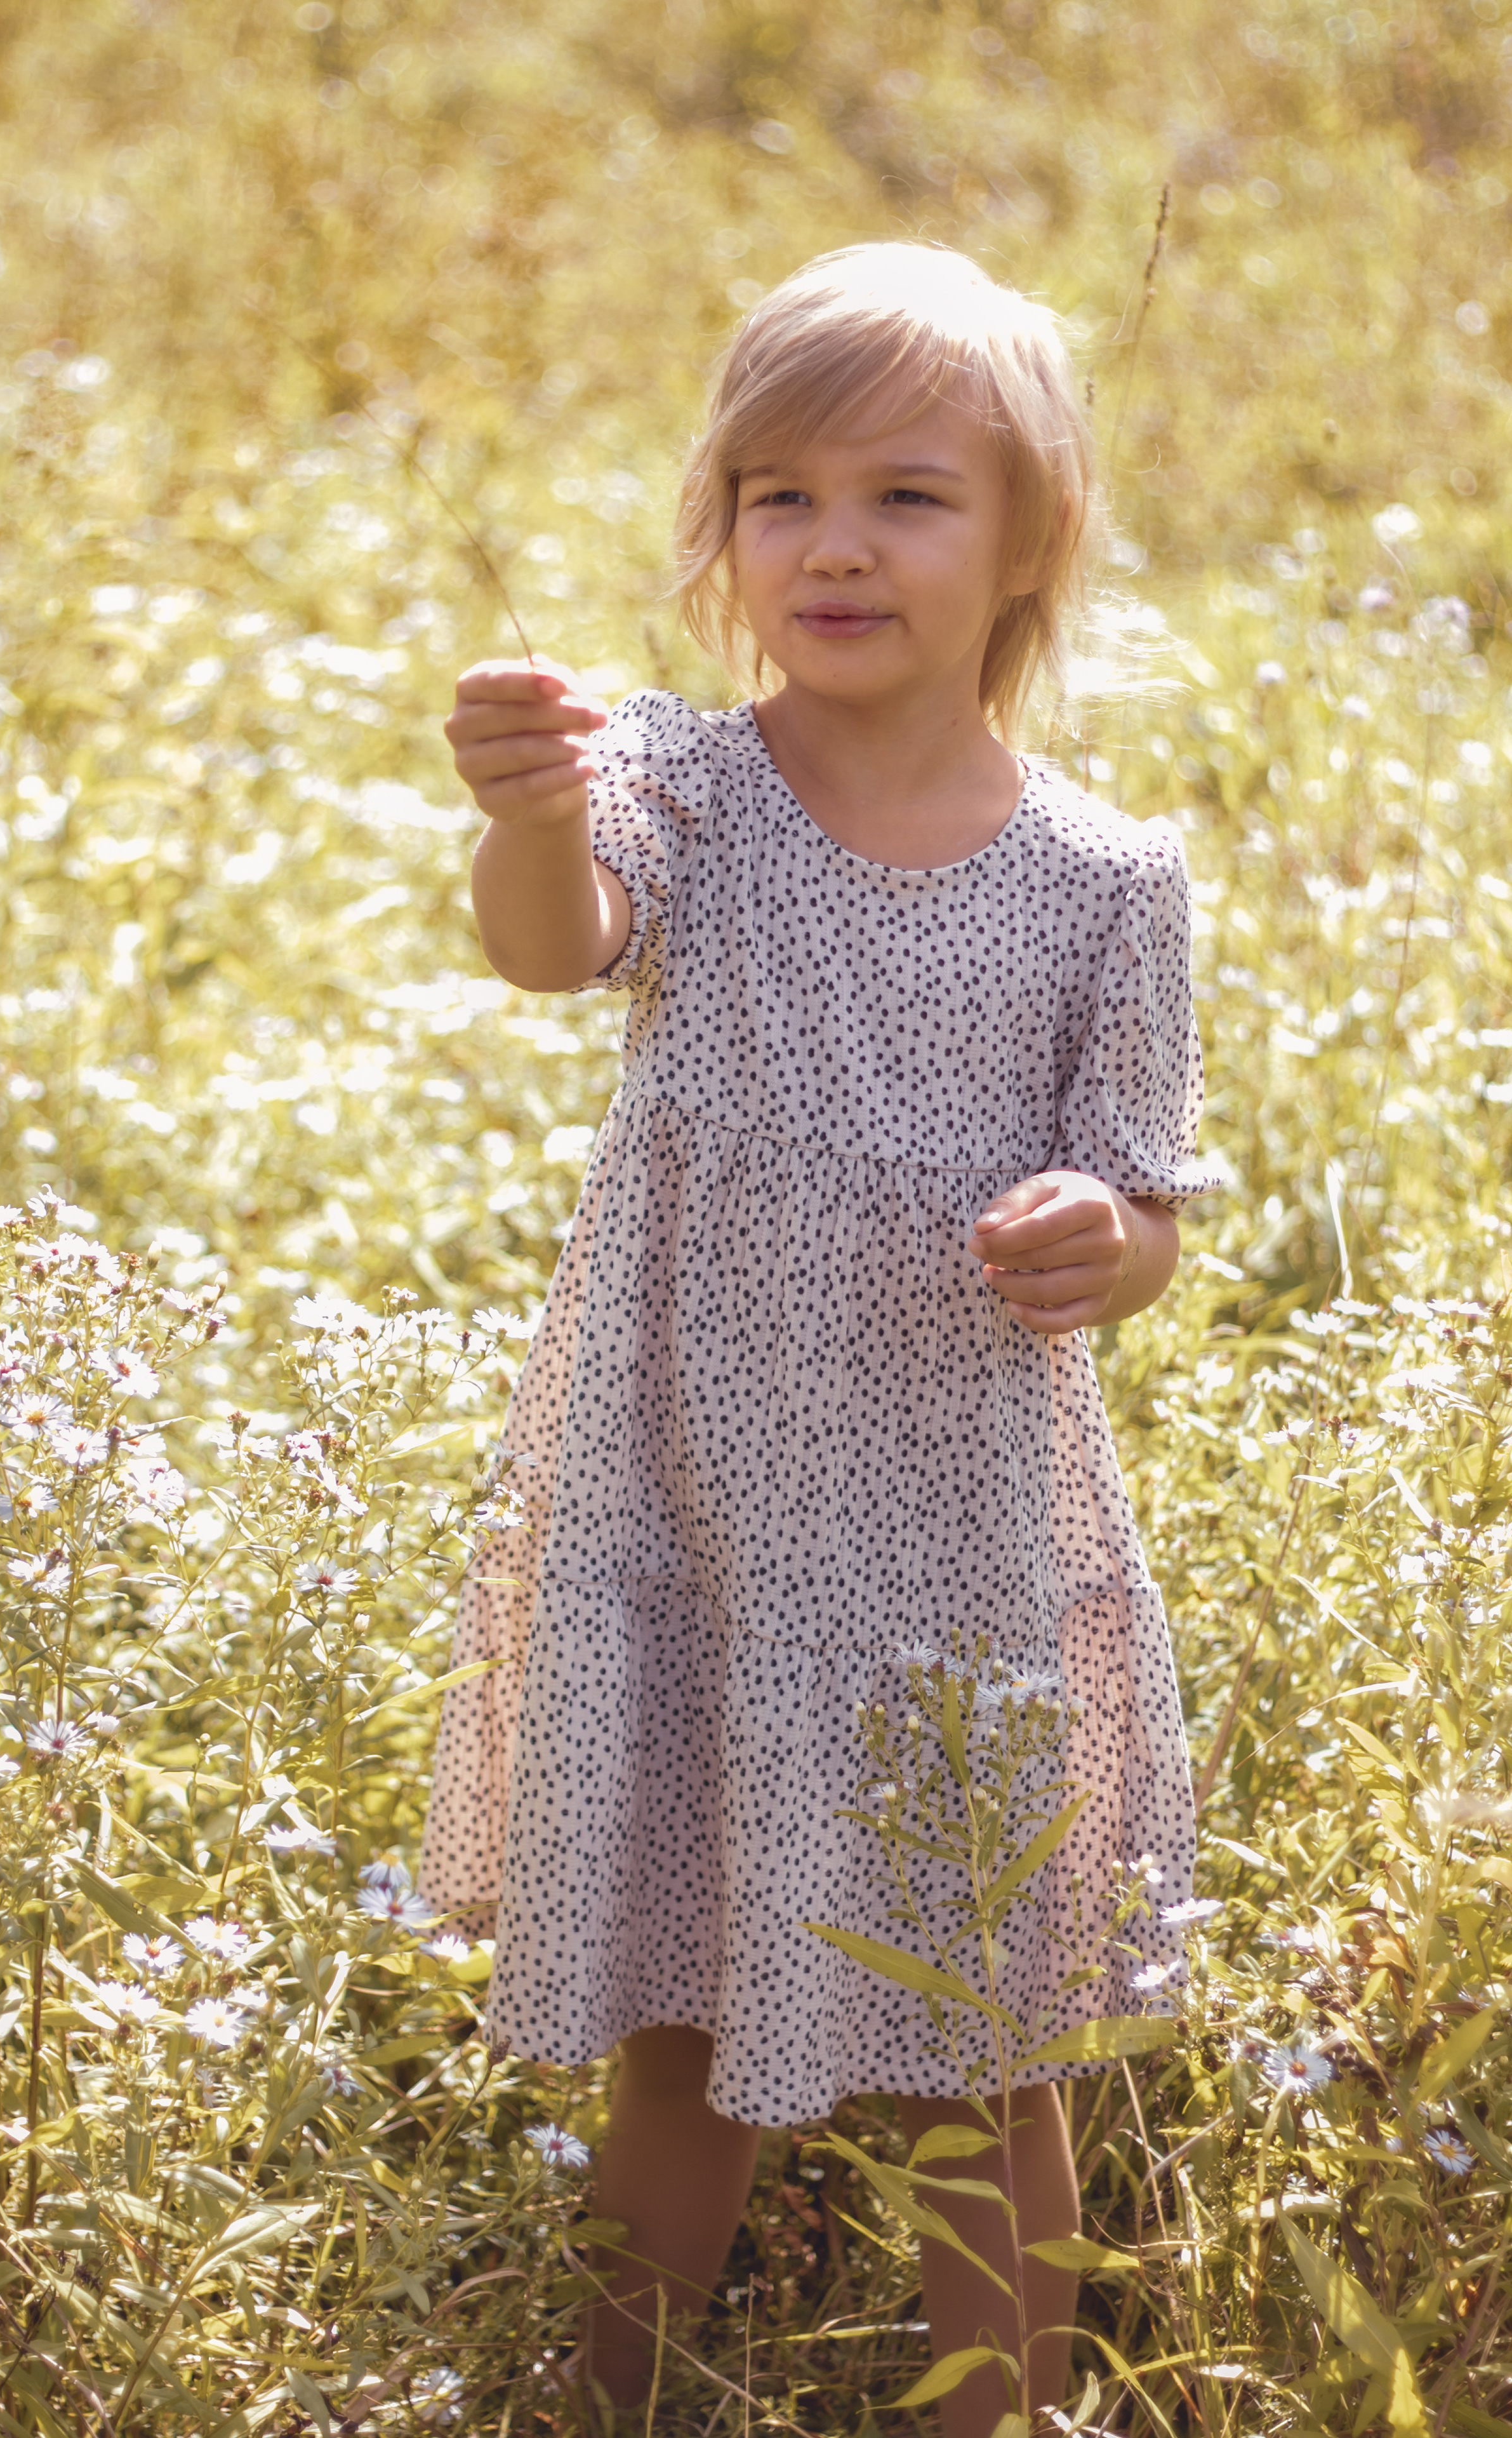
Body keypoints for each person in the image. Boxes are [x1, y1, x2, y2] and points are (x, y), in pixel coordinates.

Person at [420, 241, 1219, 2434]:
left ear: (1032, 535)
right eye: (778, 494)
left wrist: (1099, 1242)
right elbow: (556, 946)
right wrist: (526, 812)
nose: (834, 541)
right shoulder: (677, 783)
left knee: (986, 2034)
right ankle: (618, 2398)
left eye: (906, 493)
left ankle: (1001, 2412)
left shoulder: (1107, 876)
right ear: (724, 537)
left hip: (957, 1523)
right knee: (690, 2008)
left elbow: (1145, 1194)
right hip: (700, 1499)